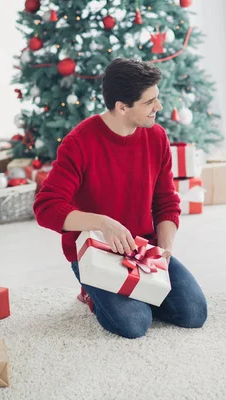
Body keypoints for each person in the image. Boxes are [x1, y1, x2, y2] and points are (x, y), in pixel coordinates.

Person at [34, 58, 207, 339]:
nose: (159, 108)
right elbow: (46, 208)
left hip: (143, 250)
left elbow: (166, 201)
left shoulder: (157, 137)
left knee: (194, 314)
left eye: (157, 99)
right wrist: (103, 223)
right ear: (122, 106)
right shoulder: (79, 143)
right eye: (149, 102)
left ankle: (135, 294)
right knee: (134, 324)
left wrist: (164, 249)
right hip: (96, 252)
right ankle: (92, 292)